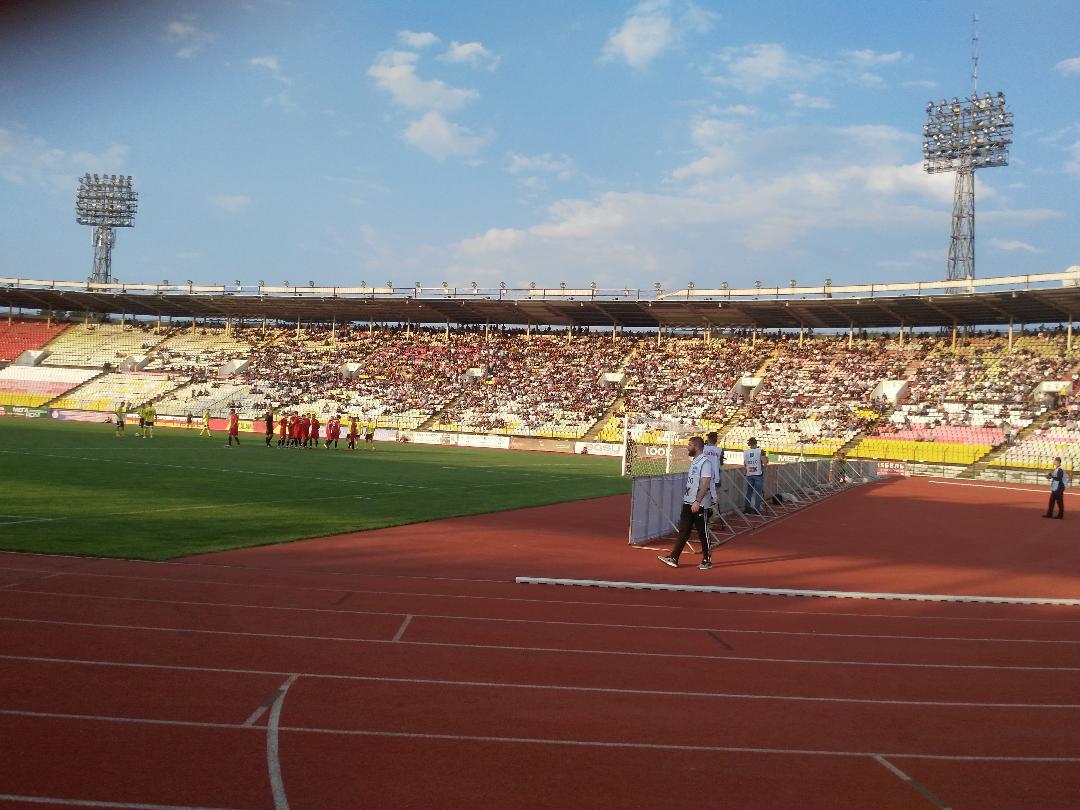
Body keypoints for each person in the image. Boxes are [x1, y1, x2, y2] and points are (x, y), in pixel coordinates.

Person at [658, 436, 716, 570]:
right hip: (688, 501)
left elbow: (705, 483)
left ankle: (707, 560)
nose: (687, 447)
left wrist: (697, 501)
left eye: (689, 445)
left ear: (696, 446)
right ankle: (674, 557)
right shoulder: (695, 461)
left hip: (699, 503)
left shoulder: (705, 462)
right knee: (684, 530)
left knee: (702, 532)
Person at [743, 436, 767, 515]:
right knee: (758, 492)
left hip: (749, 474)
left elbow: (745, 464)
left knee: (749, 492)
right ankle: (757, 509)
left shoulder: (746, 452)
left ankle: (747, 508)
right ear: (756, 443)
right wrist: (764, 466)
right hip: (758, 474)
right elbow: (764, 461)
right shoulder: (760, 451)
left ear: (750, 444)